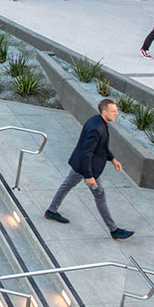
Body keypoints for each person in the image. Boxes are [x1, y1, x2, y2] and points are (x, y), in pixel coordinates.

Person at [44, 99, 133, 240]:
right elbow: (87, 153)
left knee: (67, 185)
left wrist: (113, 159)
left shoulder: (98, 121)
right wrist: (89, 176)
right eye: (113, 111)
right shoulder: (96, 128)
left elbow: (101, 147)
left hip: (82, 166)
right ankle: (114, 229)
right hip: (86, 168)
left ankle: (51, 210)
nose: (116, 113)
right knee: (99, 195)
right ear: (104, 112)